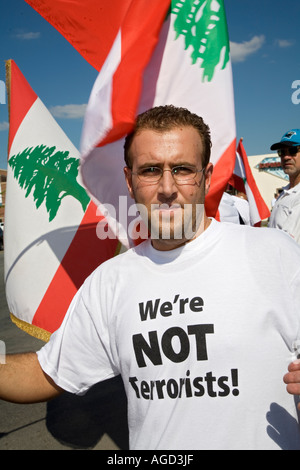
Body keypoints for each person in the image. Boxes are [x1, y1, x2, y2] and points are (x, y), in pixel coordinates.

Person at [1, 105, 300, 450]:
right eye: (151, 170)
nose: (167, 187)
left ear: (206, 175)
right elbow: (46, 373)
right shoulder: (110, 282)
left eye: (183, 169)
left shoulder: (273, 253)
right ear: (129, 181)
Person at [268, 129, 300, 244]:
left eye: (292, 151)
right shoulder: (285, 193)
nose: (286, 157)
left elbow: (288, 245)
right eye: (282, 152)